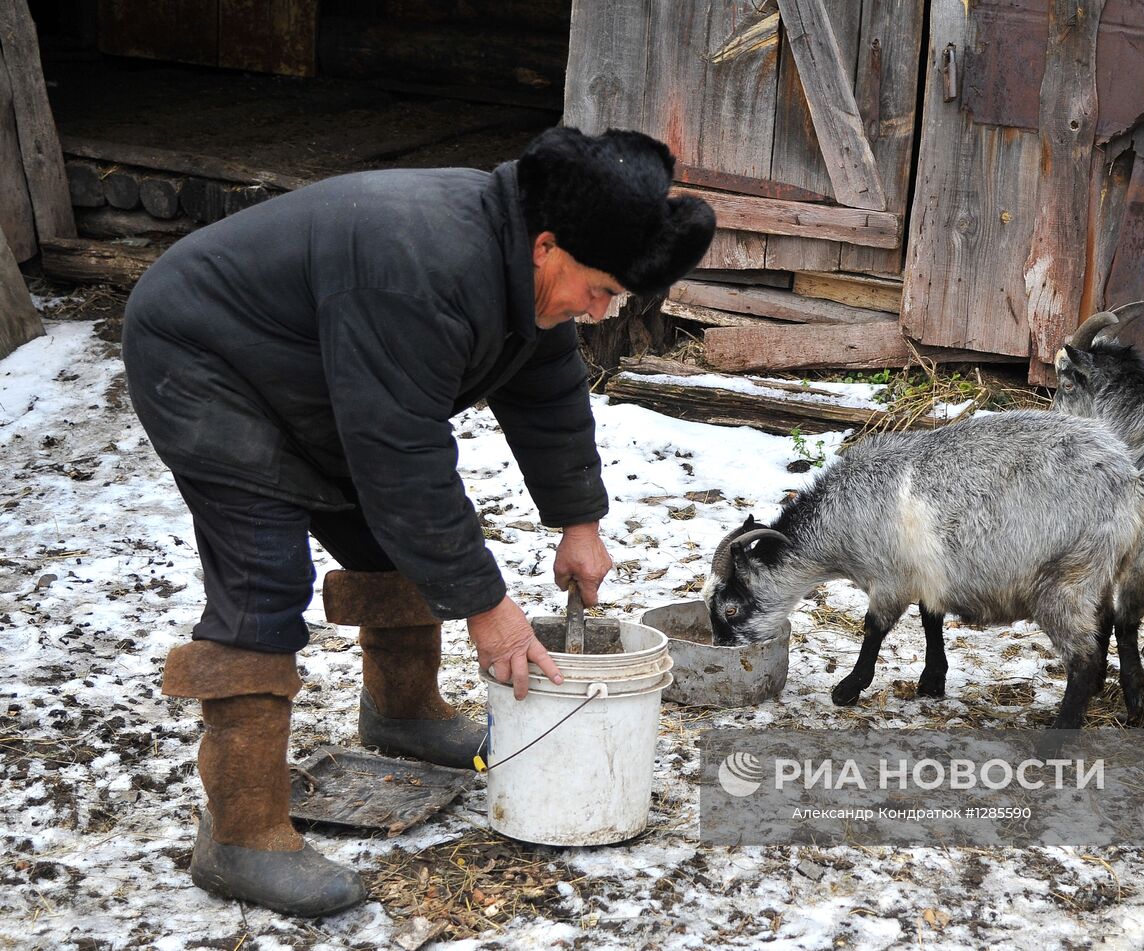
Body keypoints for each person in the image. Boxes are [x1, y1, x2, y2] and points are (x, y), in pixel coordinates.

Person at [121, 127, 716, 916]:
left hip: (318, 369)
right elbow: (402, 455)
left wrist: (579, 521)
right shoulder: (426, 264)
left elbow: (546, 392)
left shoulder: (519, 270)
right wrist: (490, 612)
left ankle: (402, 711)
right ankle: (240, 833)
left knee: (386, 535)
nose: (598, 311)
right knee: (264, 575)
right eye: (599, 291)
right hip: (205, 357)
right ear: (547, 248)